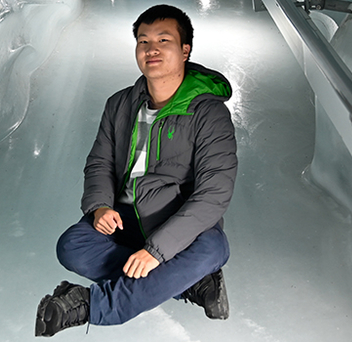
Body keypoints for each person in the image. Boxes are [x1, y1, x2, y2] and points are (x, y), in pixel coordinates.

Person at [35, 4, 237, 337]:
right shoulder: (120, 104)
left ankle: (88, 305)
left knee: (213, 248)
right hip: (125, 221)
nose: (151, 49)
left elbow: (214, 194)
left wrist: (157, 251)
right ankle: (190, 281)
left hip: (177, 227)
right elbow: (99, 163)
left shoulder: (208, 114)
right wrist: (99, 206)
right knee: (72, 245)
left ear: (185, 50)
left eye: (163, 40)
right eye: (143, 42)